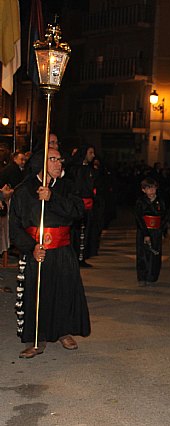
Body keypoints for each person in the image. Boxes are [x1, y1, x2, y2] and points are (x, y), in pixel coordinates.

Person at [11, 149, 90, 358]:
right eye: (53, 159)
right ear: (40, 162)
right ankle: (37, 339)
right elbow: (15, 227)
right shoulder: (23, 191)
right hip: (37, 251)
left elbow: (77, 212)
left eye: (59, 159)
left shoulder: (66, 187)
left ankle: (63, 332)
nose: (58, 163)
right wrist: (31, 247)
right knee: (37, 294)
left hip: (62, 251)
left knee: (63, 292)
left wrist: (52, 197)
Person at [68, 145, 97, 268]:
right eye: (90, 152)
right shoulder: (76, 169)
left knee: (85, 233)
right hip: (79, 205)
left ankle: (82, 257)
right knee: (76, 233)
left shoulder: (89, 169)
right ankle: (75, 257)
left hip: (88, 205)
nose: (93, 155)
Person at [134, 178, 166, 287]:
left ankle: (152, 276)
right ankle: (142, 276)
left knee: (155, 254)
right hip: (144, 230)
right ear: (144, 190)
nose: (152, 191)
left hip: (156, 231)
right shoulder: (140, 201)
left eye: (153, 188)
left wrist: (162, 231)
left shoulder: (160, 201)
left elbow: (164, 217)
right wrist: (145, 233)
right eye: (148, 188)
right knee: (142, 254)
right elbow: (138, 218)